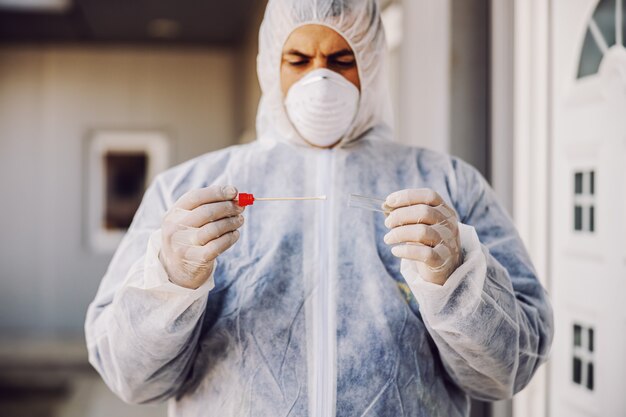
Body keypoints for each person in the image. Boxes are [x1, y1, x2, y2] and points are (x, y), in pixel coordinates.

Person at [85, 0, 554, 415]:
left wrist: (454, 278)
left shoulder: (448, 185)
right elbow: (130, 378)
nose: (320, 78)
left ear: (371, 63)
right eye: (299, 59)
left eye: (341, 59)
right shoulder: (186, 190)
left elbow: (505, 374)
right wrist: (171, 278)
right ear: (272, 66)